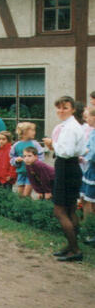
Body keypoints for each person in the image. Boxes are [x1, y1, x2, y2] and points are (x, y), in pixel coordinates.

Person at [43, 96, 86, 262]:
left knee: (59, 210)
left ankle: (75, 249)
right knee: (70, 209)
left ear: (73, 109)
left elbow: (66, 152)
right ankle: (71, 245)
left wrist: (52, 144)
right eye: (59, 108)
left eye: (65, 108)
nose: (61, 111)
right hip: (71, 167)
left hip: (66, 167)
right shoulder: (73, 125)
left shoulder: (69, 128)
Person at [10, 122, 44, 197]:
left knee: (26, 195)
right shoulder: (16, 145)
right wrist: (16, 160)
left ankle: (28, 207)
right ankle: (25, 208)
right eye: (32, 130)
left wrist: (35, 163)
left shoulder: (35, 144)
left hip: (31, 173)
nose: (34, 132)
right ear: (25, 132)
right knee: (20, 196)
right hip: (21, 173)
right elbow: (11, 158)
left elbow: (41, 156)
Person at [80, 106, 95, 244]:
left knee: (90, 202)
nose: (86, 119)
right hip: (89, 169)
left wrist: (85, 158)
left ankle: (91, 231)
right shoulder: (92, 132)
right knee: (86, 200)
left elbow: (93, 152)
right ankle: (87, 228)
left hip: (93, 170)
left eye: (87, 116)